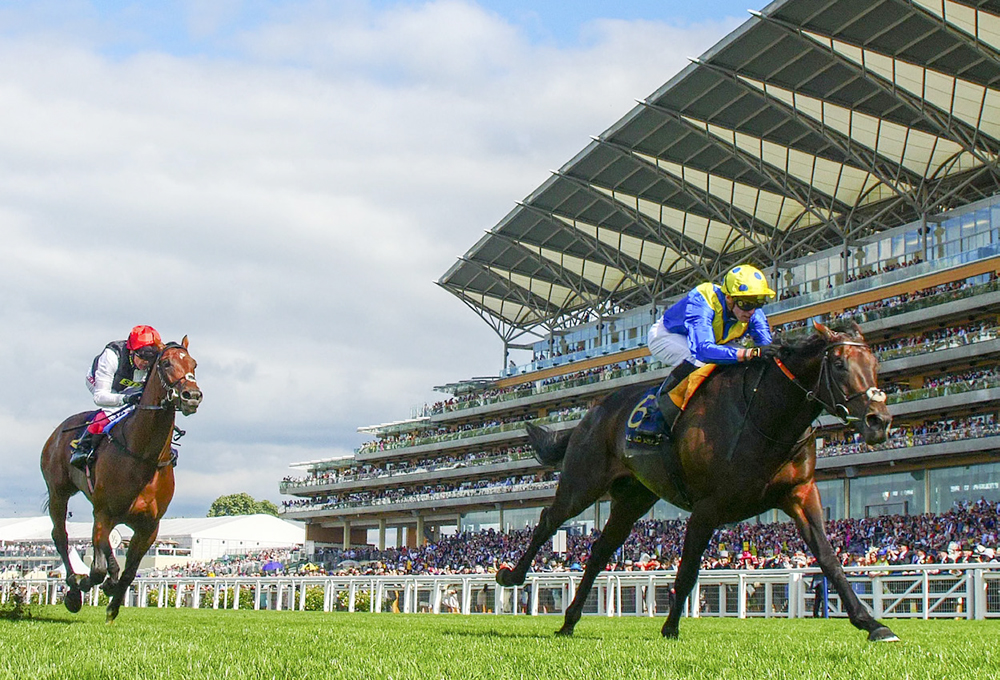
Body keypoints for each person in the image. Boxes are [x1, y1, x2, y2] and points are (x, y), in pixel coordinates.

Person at [647, 264, 776, 429]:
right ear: (729, 297)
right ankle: (655, 413)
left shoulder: (753, 312)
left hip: (713, 341)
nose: (752, 311)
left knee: (745, 362)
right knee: (700, 361)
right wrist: (749, 353)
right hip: (667, 335)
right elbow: (702, 350)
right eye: (746, 304)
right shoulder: (703, 298)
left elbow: (766, 348)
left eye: (758, 303)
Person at [69, 325, 162, 471]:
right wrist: (124, 400)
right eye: (142, 357)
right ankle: (83, 445)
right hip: (102, 384)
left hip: (131, 386)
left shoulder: (152, 362)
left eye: (151, 358)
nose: (146, 362)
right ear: (132, 352)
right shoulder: (112, 356)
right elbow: (100, 397)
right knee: (114, 410)